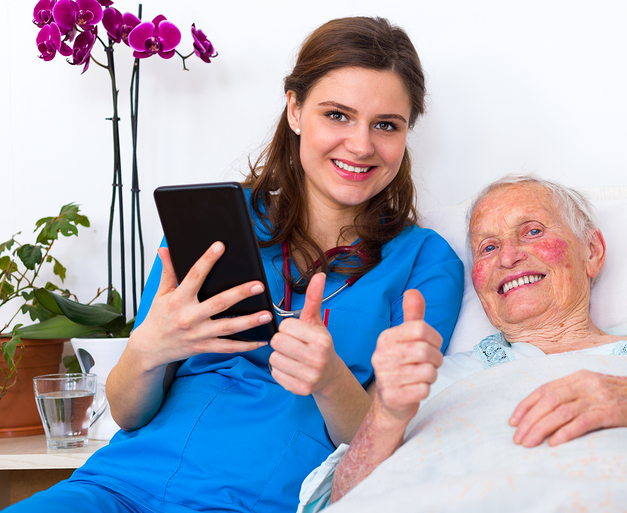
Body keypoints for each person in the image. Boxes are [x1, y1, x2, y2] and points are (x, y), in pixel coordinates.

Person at [4, 17, 463, 513]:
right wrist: (148, 350)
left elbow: (379, 442)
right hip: (113, 490)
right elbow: (127, 412)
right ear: (295, 109)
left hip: (251, 503)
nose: (360, 144)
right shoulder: (212, 223)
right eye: (337, 115)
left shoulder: (426, 264)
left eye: (386, 125)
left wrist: (329, 378)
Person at [296, 175, 627, 513]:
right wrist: (387, 414)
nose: (508, 256)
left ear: (593, 252)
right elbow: (341, 500)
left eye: (531, 231)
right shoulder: (436, 377)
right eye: (487, 246)